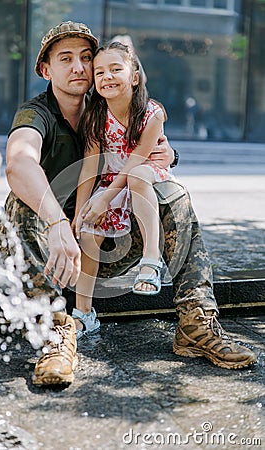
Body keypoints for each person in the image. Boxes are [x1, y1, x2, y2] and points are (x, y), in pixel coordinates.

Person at [0, 21, 256, 388]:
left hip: (107, 243)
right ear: (45, 70)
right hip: (51, 256)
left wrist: (168, 154)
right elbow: (17, 162)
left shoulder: (107, 105)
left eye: (86, 58)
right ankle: (55, 334)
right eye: (65, 58)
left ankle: (196, 324)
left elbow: (143, 149)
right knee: (20, 206)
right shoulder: (36, 114)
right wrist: (57, 223)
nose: (79, 68)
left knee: (173, 195)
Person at [71, 41, 175, 340]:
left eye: (116, 69)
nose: (107, 76)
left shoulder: (151, 113)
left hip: (141, 173)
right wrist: (82, 211)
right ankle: (83, 313)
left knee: (139, 175)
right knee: (89, 231)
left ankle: (150, 261)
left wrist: (105, 197)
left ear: (134, 76)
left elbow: (137, 160)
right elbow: (90, 167)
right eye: (100, 72)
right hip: (111, 182)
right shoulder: (95, 115)